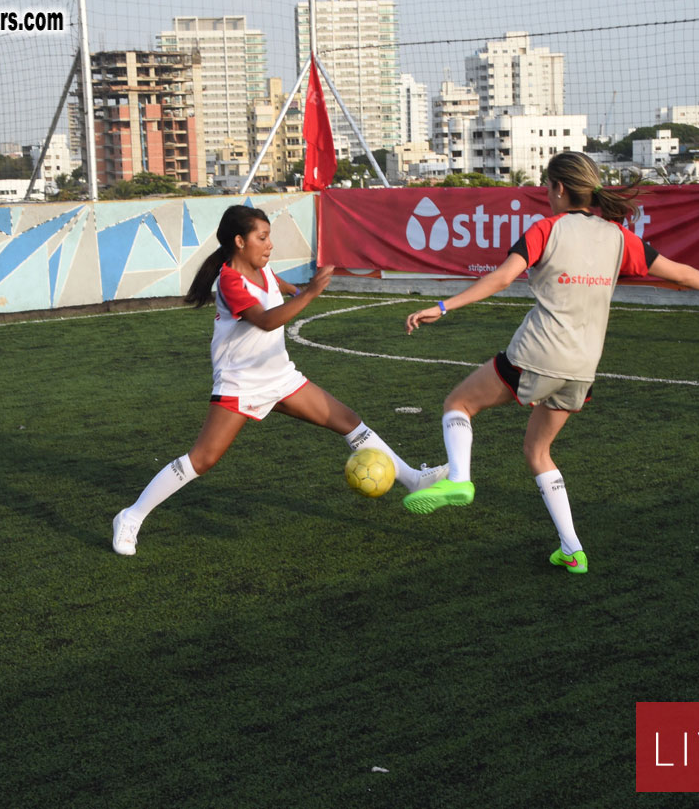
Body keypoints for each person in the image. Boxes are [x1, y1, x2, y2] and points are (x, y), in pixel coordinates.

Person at [400, 151, 699, 574]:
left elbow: (501, 277)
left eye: (546, 186)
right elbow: (677, 272)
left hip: (538, 353)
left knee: (458, 404)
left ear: (558, 188)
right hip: (583, 368)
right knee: (538, 451)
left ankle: (459, 479)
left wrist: (443, 306)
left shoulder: (546, 229)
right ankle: (572, 549)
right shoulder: (618, 236)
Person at [111, 204, 447, 556]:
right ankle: (130, 517)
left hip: (280, 377)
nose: (270, 244)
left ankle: (413, 479)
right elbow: (267, 320)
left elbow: (283, 288)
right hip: (240, 384)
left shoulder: (263, 270)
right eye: (263, 237)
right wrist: (311, 293)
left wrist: (300, 291)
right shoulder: (230, 280)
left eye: (269, 236)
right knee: (203, 459)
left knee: (349, 421)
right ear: (240, 241)